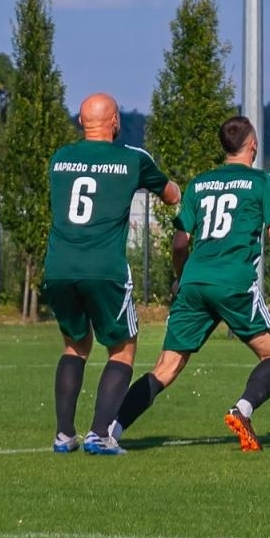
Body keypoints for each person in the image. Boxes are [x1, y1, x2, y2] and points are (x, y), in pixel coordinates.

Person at [109, 116, 270, 451]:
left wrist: (181, 278)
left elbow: (180, 243)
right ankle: (242, 409)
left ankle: (112, 430)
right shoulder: (264, 182)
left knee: (166, 368)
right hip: (233, 283)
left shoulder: (199, 184)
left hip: (195, 282)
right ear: (252, 144)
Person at [43, 93, 180, 456]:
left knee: (75, 346)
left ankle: (63, 435)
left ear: (80, 122)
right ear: (116, 121)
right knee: (122, 350)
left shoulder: (60, 158)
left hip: (58, 265)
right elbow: (170, 195)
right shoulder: (132, 159)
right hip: (104, 267)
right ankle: (100, 434)